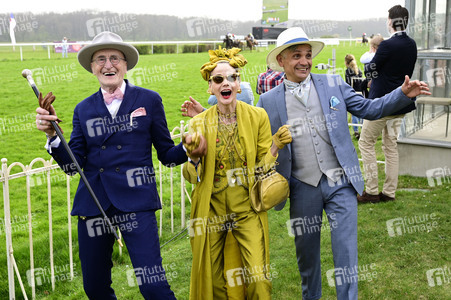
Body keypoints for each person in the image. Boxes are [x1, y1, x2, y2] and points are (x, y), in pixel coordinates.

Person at [257, 27, 429, 300]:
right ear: (281, 61)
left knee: (347, 256)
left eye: (308, 55)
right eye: (296, 55)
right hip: (302, 188)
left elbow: (369, 109)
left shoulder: (334, 83)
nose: (304, 61)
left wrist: (401, 94)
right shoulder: (267, 102)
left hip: (341, 184)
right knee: (307, 259)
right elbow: (261, 149)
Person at [35, 31, 206, 299]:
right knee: (95, 287)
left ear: (125, 65)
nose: (108, 64)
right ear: (92, 68)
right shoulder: (83, 109)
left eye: (114, 57)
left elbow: (166, 154)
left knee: (152, 285)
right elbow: (73, 166)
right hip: (93, 203)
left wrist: (188, 148)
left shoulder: (149, 100)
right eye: (100, 59)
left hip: (137, 202)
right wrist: (52, 136)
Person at [182, 46, 291, 299]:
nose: (226, 83)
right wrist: (194, 158)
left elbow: (262, 169)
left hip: (247, 209)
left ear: (239, 83)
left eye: (232, 77)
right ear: (210, 87)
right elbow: (191, 177)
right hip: (211, 210)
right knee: (213, 278)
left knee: (258, 277)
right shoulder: (198, 123)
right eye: (218, 79)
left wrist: (275, 145)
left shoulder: (258, 116)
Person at [358, 5, 418, 203]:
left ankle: (372, 191)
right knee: (390, 146)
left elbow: (369, 72)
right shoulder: (411, 44)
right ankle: (389, 192)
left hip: (382, 103)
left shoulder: (386, 45)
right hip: (401, 102)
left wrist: (373, 69)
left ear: (391, 22)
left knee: (365, 142)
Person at [344, 54, 364, 139]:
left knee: (354, 113)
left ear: (346, 62)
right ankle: (363, 129)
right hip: (360, 93)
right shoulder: (358, 70)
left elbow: (348, 85)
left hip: (353, 93)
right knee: (361, 113)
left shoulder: (347, 71)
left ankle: (356, 131)